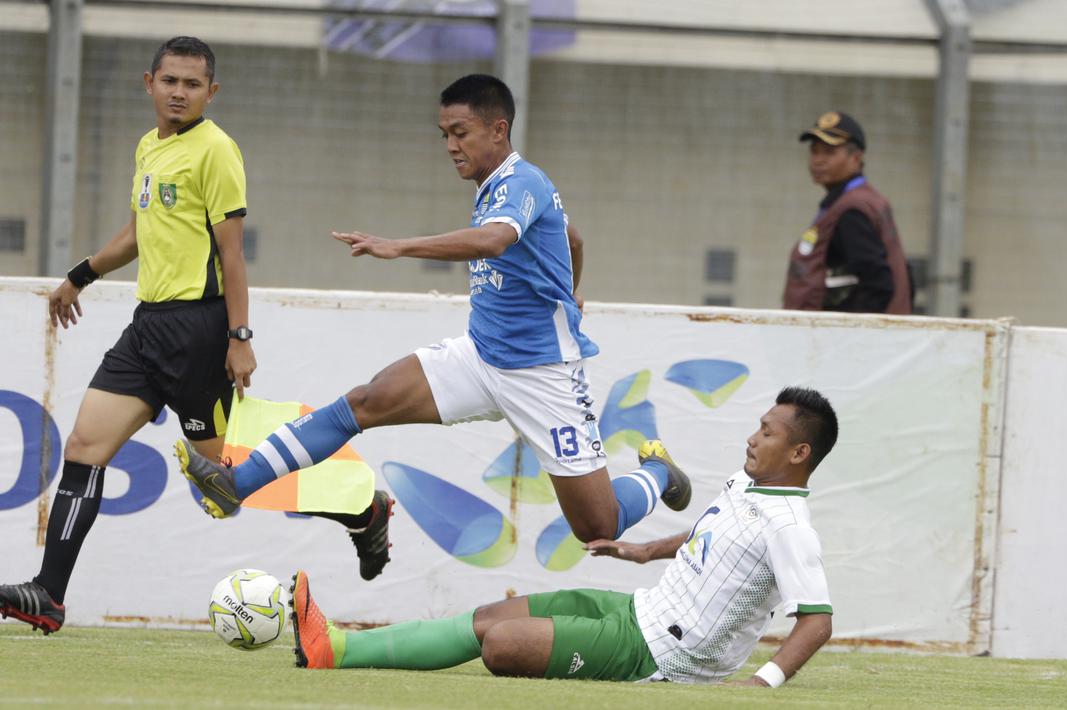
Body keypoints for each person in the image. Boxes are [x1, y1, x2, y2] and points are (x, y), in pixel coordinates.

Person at [177, 74, 690, 548]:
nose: (450, 146)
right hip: (481, 358)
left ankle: (658, 472)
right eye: (444, 134)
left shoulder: (522, 181)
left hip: (544, 375)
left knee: (596, 528)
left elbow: (493, 241)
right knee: (365, 401)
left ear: (498, 129)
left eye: (460, 133)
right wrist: (569, 291)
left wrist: (398, 246)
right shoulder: (498, 187)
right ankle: (236, 483)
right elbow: (571, 238)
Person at [0, 37, 389, 636]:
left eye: (192, 84)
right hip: (146, 329)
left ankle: (363, 511)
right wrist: (80, 276)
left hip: (201, 333)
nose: (179, 92)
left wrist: (239, 336)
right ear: (148, 83)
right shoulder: (148, 146)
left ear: (212, 91)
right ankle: (48, 595)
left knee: (224, 487)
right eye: (170, 81)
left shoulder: (217, 150)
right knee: (83, 447)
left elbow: (232, 254)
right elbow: (139, 231)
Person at [288, 386, 837, 687]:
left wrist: (761, 685)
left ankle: (656, 480)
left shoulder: (791, 529)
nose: (752, 438)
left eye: (766, 433)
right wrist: (643, 550)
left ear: (799, 452)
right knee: (488, 618)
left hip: (663, 655)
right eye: (757, 425)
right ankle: (335, 648)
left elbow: (817, 621)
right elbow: (712, 533)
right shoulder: (746, 484)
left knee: (502, 646)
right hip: (639, 611)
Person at [783, 111, 913, 314]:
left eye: (829, 152)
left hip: (839, 332)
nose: (818, 160)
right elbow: (904, 276)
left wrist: (838, 327)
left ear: (856, 158)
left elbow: (878, 285)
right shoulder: (865, 200)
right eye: (814, 151)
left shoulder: (851, 211)